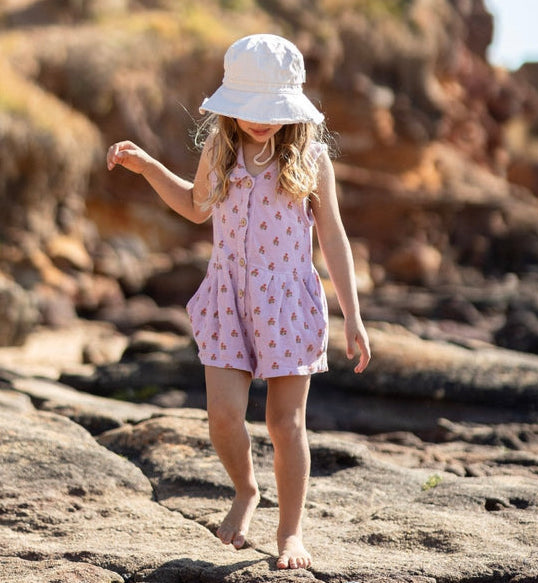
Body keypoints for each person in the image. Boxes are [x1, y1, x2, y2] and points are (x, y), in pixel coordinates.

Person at [106, 33, 371, 570]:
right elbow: (196, 206)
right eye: (249, 110)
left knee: (284, 423)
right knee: (223, 416)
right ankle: (246, 489)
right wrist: (150, 168)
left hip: (287, 303)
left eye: (270, 111)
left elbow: (336, 240)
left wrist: (355, 318)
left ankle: (291, 533)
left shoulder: (311, 158)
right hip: (229, 297)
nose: (258, 121)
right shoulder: (219, 148)